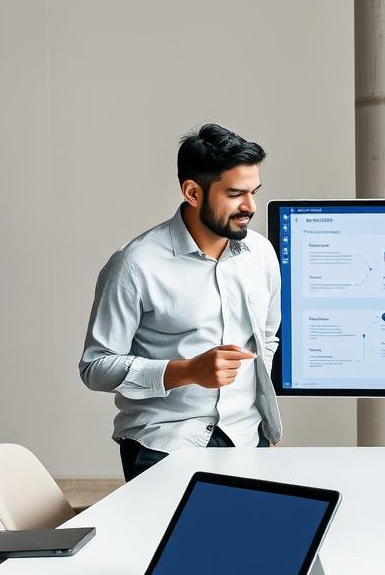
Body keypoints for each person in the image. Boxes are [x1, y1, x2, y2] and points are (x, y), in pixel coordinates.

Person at [80, 123, 281, 481]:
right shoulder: (135, 264)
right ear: (192, 192)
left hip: (248, 440)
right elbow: (95, 367)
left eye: (254, 192)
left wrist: (263, 426)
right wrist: (188, 371)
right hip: (163, 448)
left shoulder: (261, 253)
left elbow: (266, 338)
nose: (250, 207)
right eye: (236, 194)